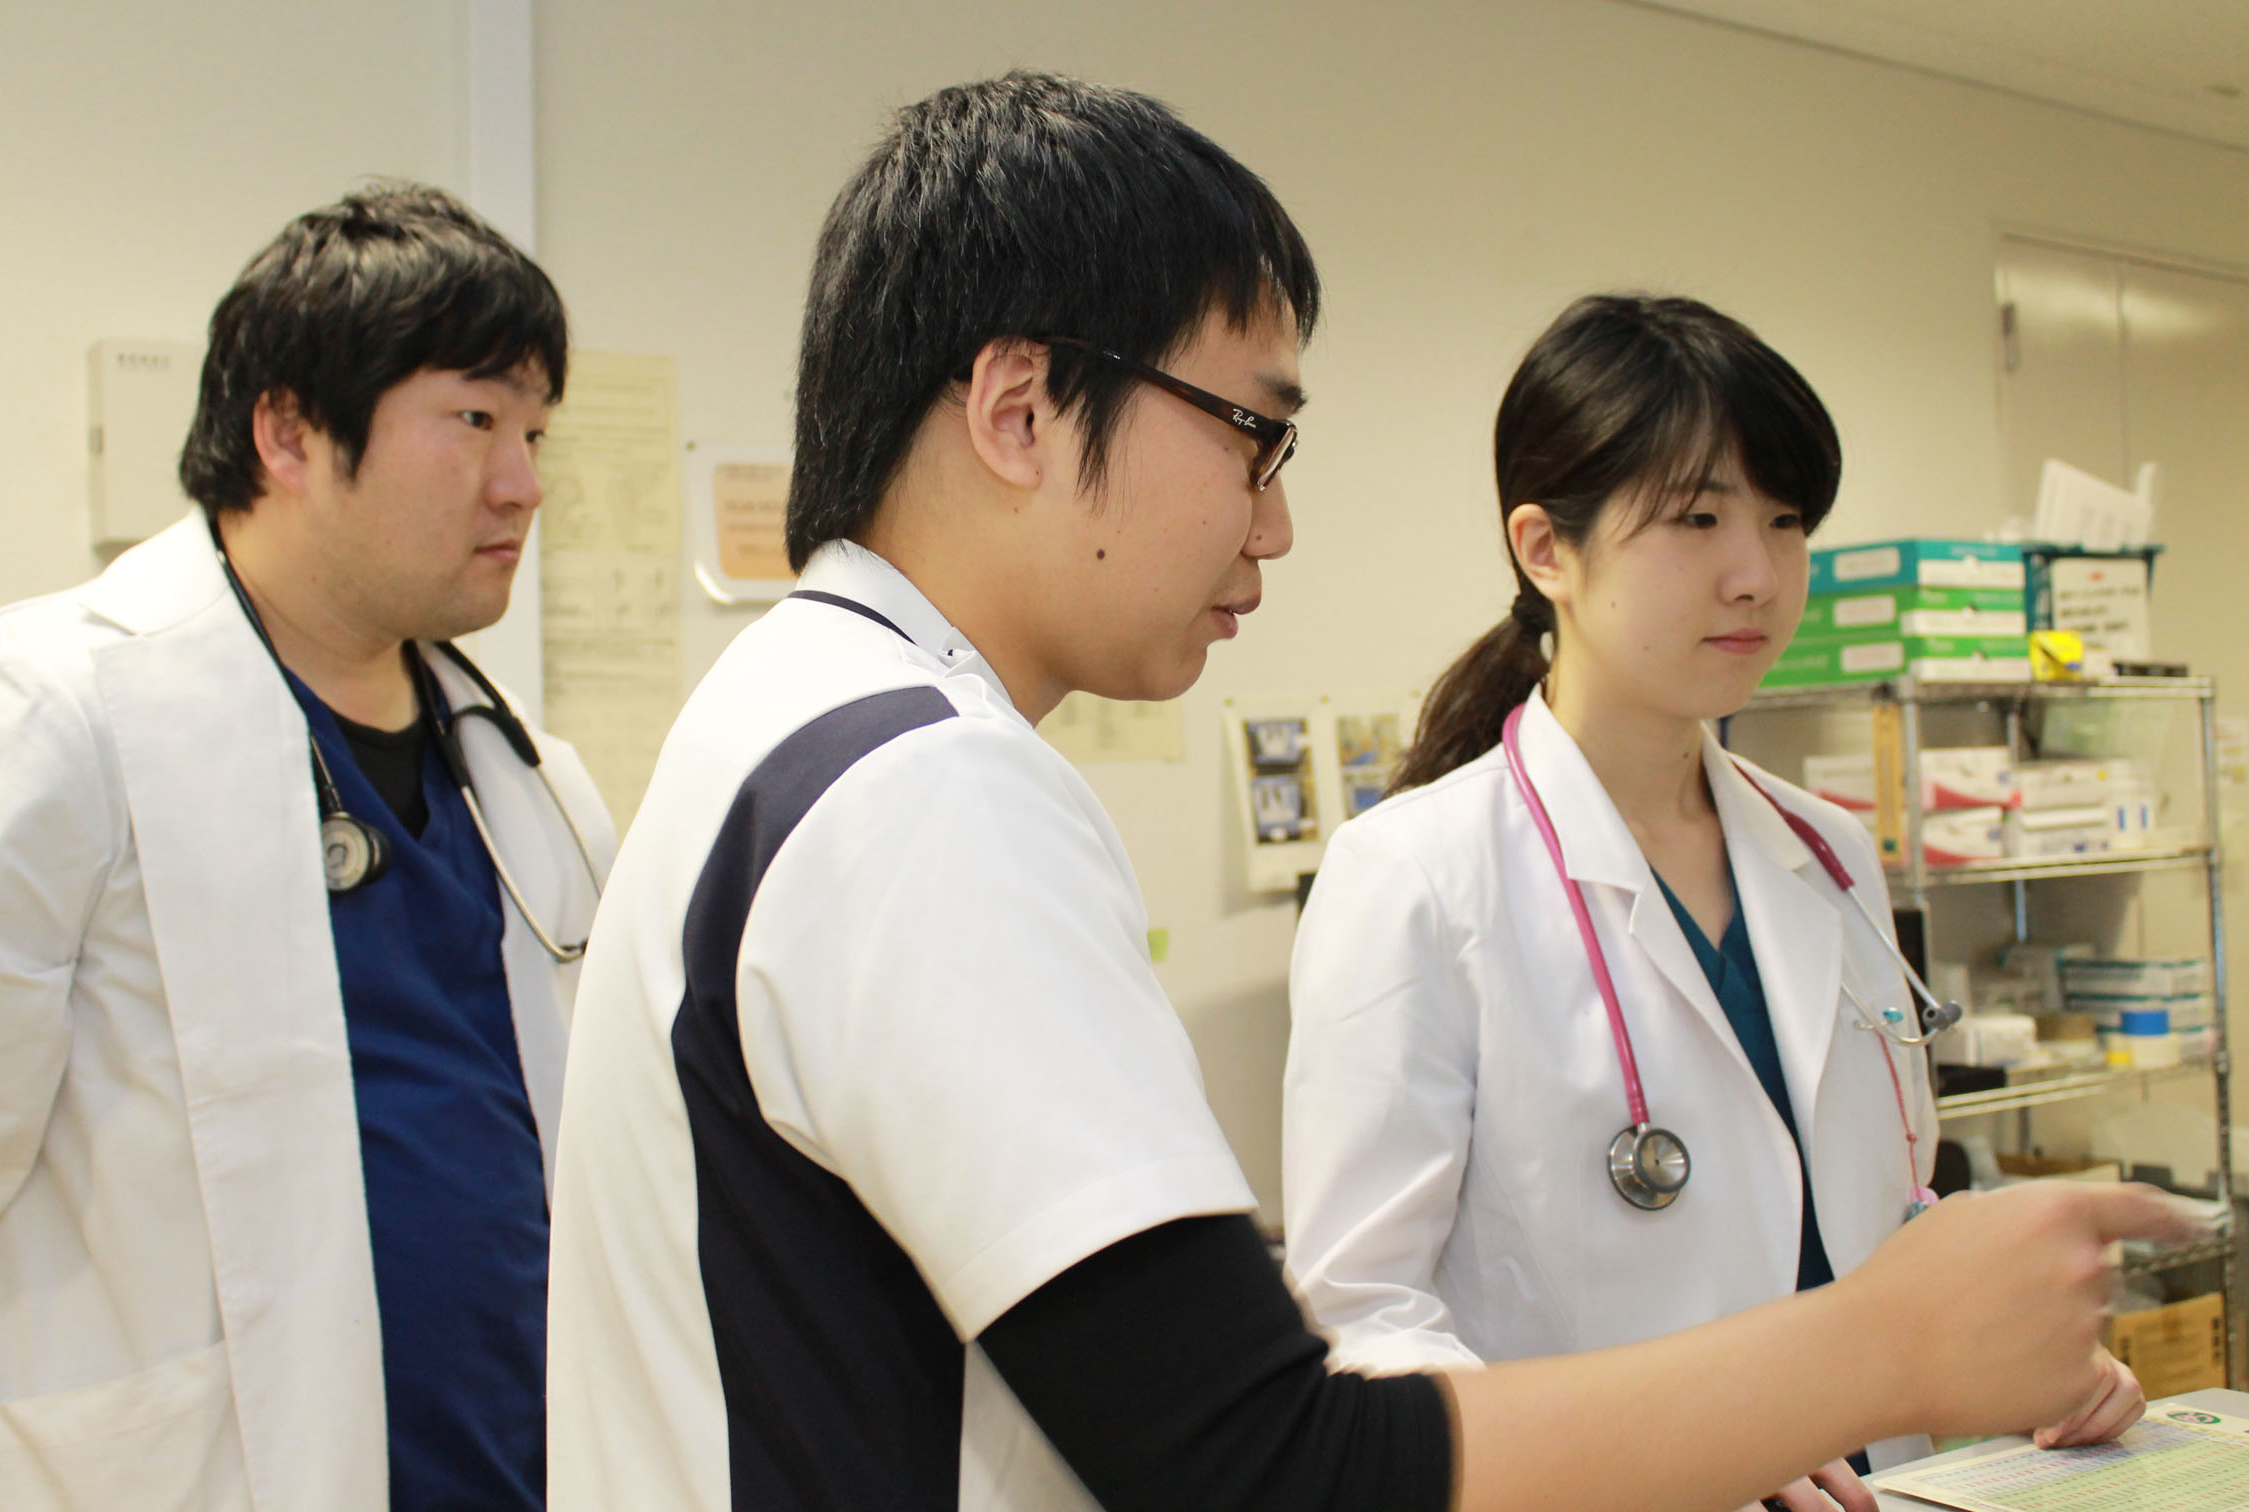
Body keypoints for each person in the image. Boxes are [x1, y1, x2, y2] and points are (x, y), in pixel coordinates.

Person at [544, 75, 2191, 1512]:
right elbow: (1264, 1461)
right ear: (1019, 408)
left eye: (1780, 523)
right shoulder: (927, 787)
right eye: (1250, 436)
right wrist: (1875, 1351)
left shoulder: (790, 712)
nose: (1272, 525)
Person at [1282, 293, 2144, 1510]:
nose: (1757, 576)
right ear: (1546, 549)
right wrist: (1701, 1441)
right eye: (1697, 519)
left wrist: (2018, 1359)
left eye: (1785, 522)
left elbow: (1881, 1219)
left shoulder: (1826, 853)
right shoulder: (1412, 877)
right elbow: (1366, 1326)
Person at [0, 184, 616, 1512]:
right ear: (287, 431)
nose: (523, 483)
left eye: (536, 433)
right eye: (476, 420)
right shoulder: (56, 720)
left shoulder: (529, 783)